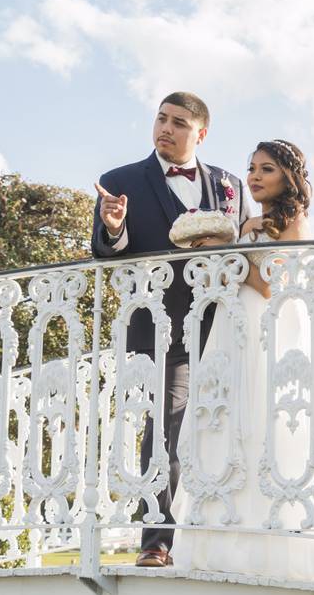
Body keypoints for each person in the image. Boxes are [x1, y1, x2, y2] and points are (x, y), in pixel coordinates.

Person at [91, 92, 249, 567]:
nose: (165, 128)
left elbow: (242, 245)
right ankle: (156, 541)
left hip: (223, 325)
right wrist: (114, 227)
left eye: (179, 122)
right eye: (161, 118)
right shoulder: (118, 182)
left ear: (200, 133)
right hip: (162, 331)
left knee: (232, 425)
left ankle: (226, 534)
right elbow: (103, 251)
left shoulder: (229, 183)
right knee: (165, 430)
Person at [172, 139, 314, 582]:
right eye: (252, 168)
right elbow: (239, 273)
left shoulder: (293, 220)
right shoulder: (250, 221)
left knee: (262, 420)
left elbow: (271, 285)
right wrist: (221, 246)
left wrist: (231, 253)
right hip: (230, 325)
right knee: (222, 418)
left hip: (268, 324)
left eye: (266, 169)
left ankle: (267, 545)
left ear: (288, 176)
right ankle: (217, 537)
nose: (255, 176)